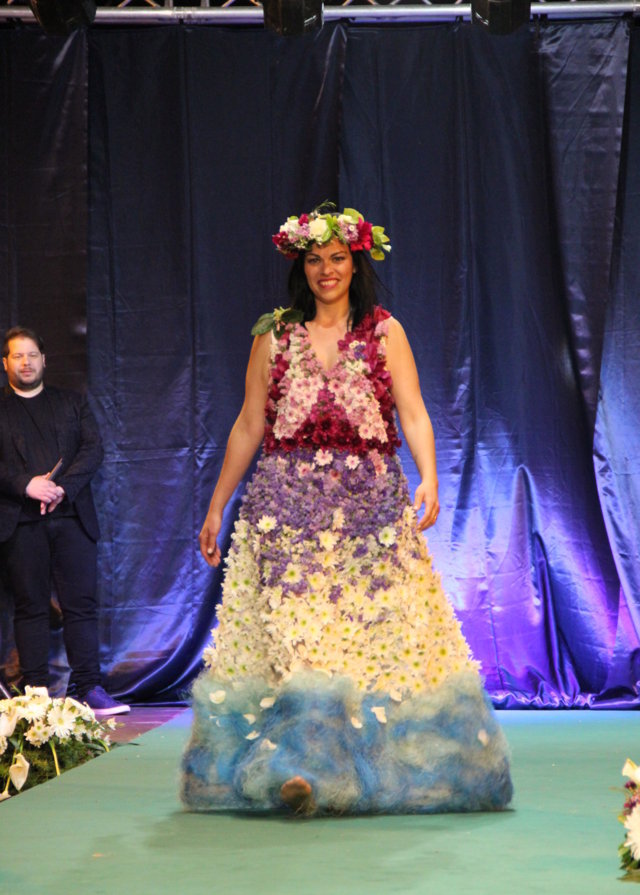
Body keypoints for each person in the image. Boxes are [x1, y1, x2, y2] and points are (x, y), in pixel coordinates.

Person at [181, 205, 512, 815]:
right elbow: (250, 424)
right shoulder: (274, 335)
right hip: (287, 517)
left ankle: (363, 772)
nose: (326, 270)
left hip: (369, 518)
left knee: (366, 646)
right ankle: (301, 770)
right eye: (315, 259)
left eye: (337, 258)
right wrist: (216, 506)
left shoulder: (385, 332)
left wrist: (429, 476)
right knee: (300, 645)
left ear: (356, 262)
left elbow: (412, 411)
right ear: (301, 265)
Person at [0, 326, 129, 716]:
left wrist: (60, 488)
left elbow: (93, 449)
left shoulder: (72, 402)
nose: (26, 362)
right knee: (31, 607)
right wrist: (27, 485)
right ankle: (35, 694)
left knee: (81, 606)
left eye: (32, 355)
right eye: (17, 356)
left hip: (72, 516)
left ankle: (88, 688)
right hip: (22, 520)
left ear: (44, 360)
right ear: (5, 363)